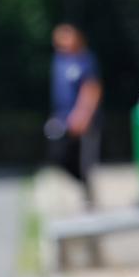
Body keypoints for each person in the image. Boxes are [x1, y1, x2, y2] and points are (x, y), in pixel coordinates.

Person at [46, 22, 102, 207]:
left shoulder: (85, 60)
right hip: (62, 118)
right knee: (59, 156)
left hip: (82, 120)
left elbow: (92, 88)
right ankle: (83, 185)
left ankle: (88, 195)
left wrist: (82, 116)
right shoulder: (59, 61)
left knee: (84, 159)